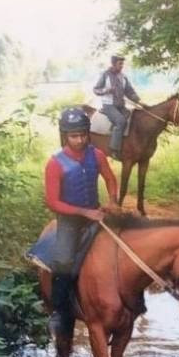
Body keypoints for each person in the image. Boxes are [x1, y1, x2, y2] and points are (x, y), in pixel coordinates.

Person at [45, 107, 119, 336]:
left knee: (121, 247)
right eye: (74, 136)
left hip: (97, 214)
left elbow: (110, 178)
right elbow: (52, 202)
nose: (79, 140)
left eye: (83, 135)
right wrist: (84, 213)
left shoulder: (96, 155)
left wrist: (113, 201)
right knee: (64, 259)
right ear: (65, 136)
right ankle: (58, 311)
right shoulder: (55, 163)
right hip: (69, 220)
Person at [93, 54, 142, 161]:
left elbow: (130, 91)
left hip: (121, 106)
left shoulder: (123, 77)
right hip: (108, 106)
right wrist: (106, 90)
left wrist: (139, 101)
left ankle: (114, 131)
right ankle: (114, 150)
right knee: (120, 121)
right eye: (120, 64)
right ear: (113, 64)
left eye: (122, 64)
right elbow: (96, 89)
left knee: (132, 114)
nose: (122, 66)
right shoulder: (105, 75)